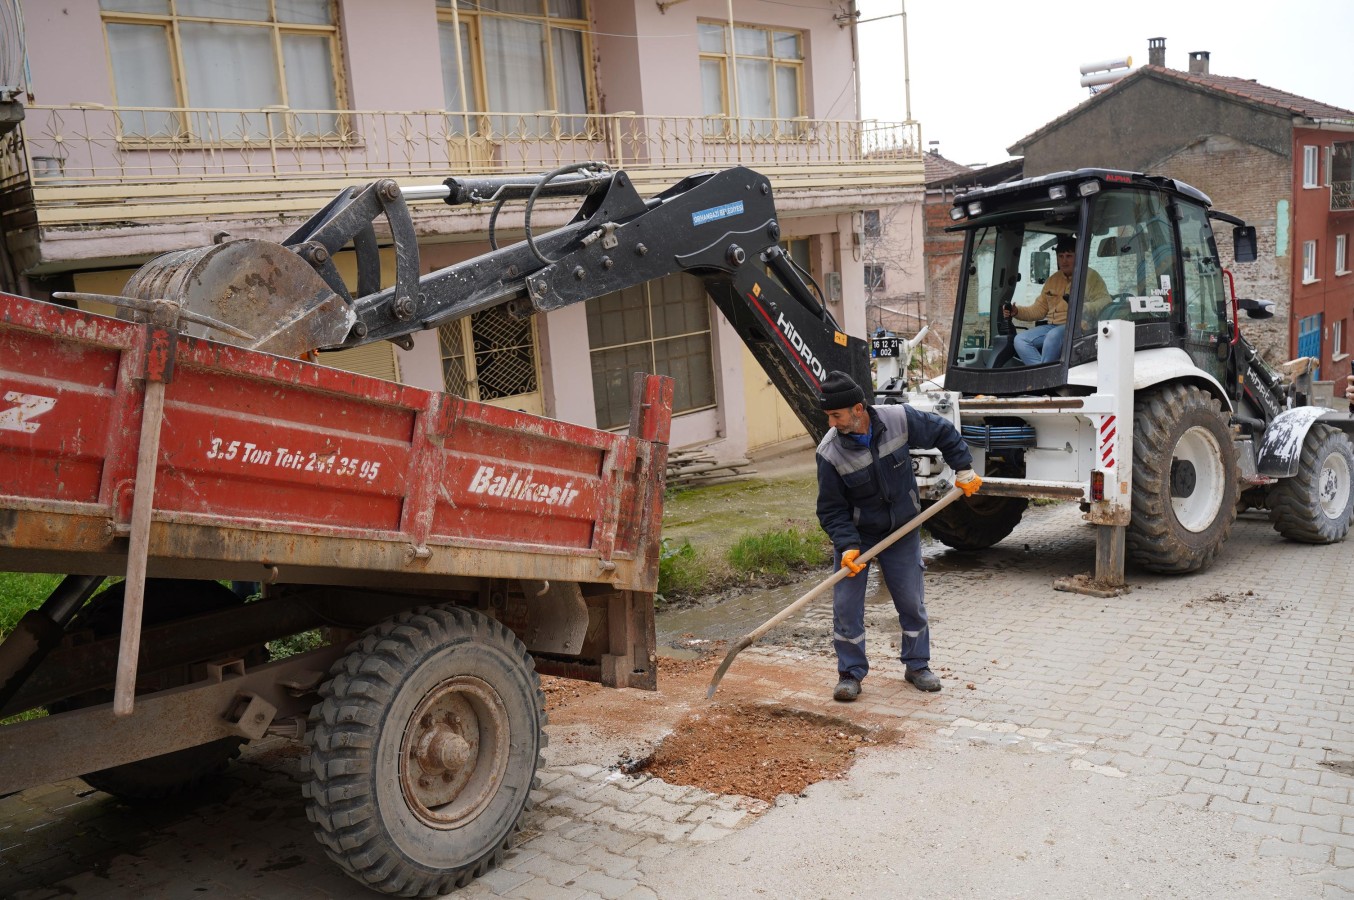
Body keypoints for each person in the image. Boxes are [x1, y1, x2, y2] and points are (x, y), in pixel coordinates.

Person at [814, 371, 982, 701]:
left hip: (901, 530)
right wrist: (847, 546)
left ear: (858, 409)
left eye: (836, 415)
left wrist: (963, 468)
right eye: (829, 416)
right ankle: (850, 673)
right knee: (846, 608)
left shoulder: (899, 419)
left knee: (910, 600)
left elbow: (943, 431)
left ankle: (917, 665)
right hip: (857, 538)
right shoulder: (830, 452)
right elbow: (831, 509)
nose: (831, 423)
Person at [1004, 235, 1111, 365]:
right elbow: (1039, 310)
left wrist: (1083, 307)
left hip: (1078, 326)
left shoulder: (1090, 277)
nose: (1064, 261)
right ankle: (1043, 375)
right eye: (1061, 256)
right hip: (1052, 326)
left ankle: (1043, 376)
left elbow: (1105, 301)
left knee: (1053, 336)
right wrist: (1017, 311)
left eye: (1069, 256)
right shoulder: (1052, 280)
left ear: (1078, 257)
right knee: (1020, 340)